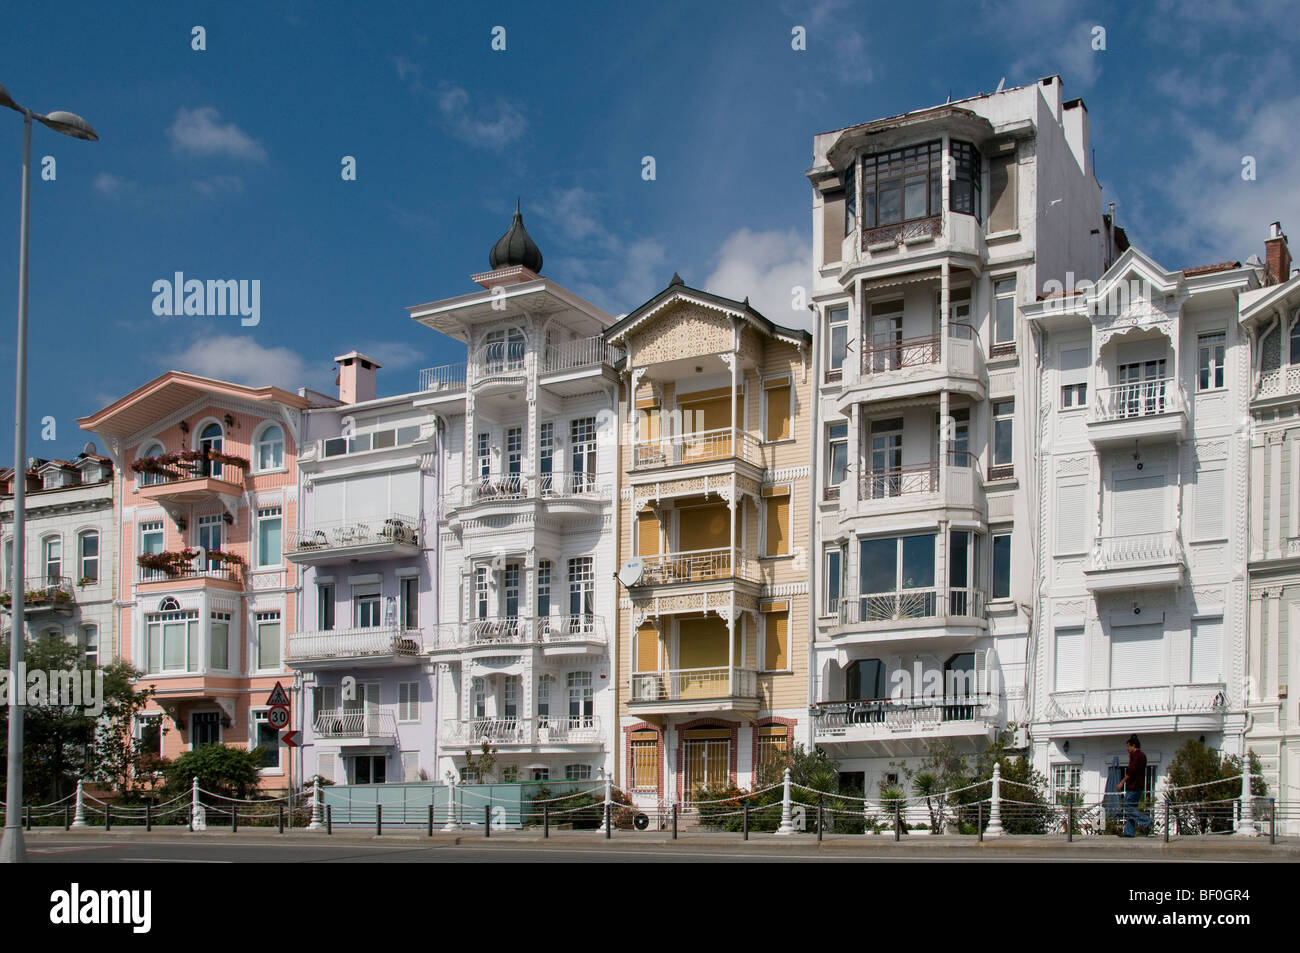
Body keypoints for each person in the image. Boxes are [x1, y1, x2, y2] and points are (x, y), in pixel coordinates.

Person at [1116, 734, 1151, 837]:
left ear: (1133, 746)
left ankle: (1147, 821)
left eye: (1128, 746)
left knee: (1128, 808)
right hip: (1140, 786)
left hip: (1133, 787)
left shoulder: (1135, 756)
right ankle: (1129, 832)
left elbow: (1131, 771)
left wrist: (1121, 782)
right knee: (1132, 808)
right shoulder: (1143, 756)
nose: (1127, 749)